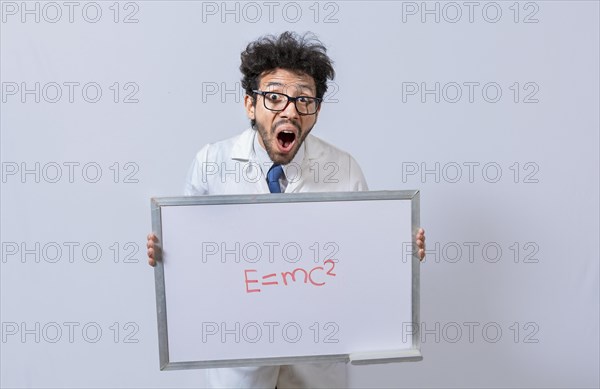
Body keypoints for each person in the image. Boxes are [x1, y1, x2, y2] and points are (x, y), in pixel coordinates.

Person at [147, 31, 426, 388]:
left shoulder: (344, 169)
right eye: (274, 97)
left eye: (303, 100)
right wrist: (167, 255)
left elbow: (363, 263)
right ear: (250, 104)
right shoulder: (210, 163)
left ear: (317, 111)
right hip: (240, 363)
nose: (290, 111)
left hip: (315, 364)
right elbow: (189, 259)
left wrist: (398, 255)